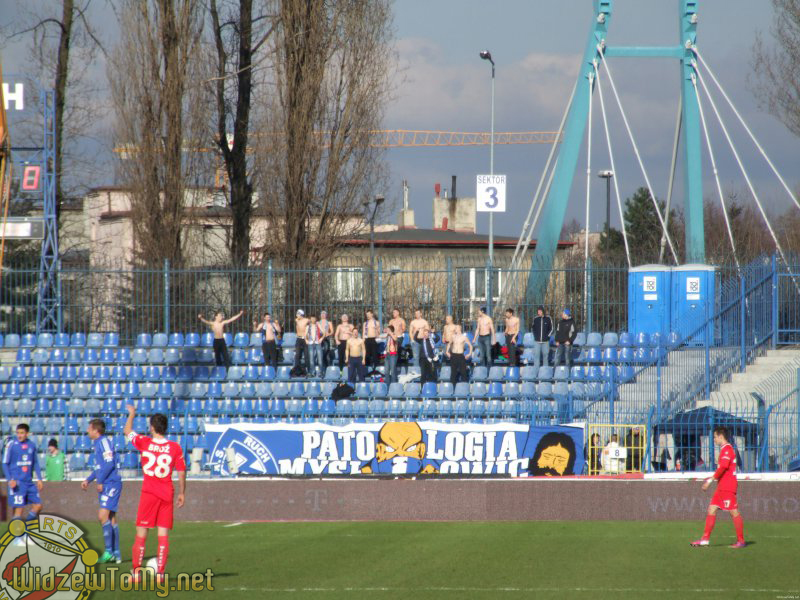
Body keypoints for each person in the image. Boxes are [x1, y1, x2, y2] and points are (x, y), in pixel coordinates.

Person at [123, 404, 186, 581]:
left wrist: (132, 414)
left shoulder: (144, 442)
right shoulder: (175, 447)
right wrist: (182, 492)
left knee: (141, 532)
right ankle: (160, 574)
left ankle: (136, 574)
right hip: (167, 493)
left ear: (152, 427)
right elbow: (181, 471)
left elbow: (127, 430)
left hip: (149, 493)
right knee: (163, 535)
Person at [691, 426, 746, 548]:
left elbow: (723, 467)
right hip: (721, 486)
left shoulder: (727, 449)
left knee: (734, 512)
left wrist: (710, 481)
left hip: (727, 486)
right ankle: (705, 539)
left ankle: (741, 541)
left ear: (721, 436)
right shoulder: (725, 449)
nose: (714, 439)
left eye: (715, 437)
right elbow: (721, 469)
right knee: (712, 509)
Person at [82, 419, 123, 564]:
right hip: (106, 482)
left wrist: (100, 481)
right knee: (111, 518)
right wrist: (89, 479)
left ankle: (108, 552)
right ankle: (116, 554)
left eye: (89, 428)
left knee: (102, 516)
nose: (87, 430)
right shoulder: (98, 443)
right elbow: (100, 467)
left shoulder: (104, 442)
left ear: (96, 430)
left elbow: (109, 463)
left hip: (110, 483)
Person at [2, 423, 43, 520]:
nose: (19, 435)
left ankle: (26, 527)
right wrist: (10, 479)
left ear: (27, 434)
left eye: (22, 433)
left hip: (29, 482)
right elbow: (4, 463)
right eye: (18, 433)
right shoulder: (11, 445)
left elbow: (35, 463)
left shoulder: (31, 445)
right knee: (19, 509)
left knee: (38, 506)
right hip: (17, 483)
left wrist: (39, 479)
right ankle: (17, 534)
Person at [532, 305, 553, 370]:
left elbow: (551, 329)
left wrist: (547, 336)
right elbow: (533, 328)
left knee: (545, 356)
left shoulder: (548, 318)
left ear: (543, 311)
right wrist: (535, 336)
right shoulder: (535, 319)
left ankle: (545, 371)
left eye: (540, 311)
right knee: (536, 356)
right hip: (537, 342)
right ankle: (536, 371)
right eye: (538, 311)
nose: (538, 312)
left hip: (545, 342)